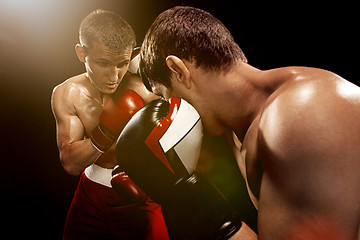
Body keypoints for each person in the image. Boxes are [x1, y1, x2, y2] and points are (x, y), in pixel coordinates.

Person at [139, 6, 360, 240]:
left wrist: (197, 205)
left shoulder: (299, 114)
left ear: (178, 70)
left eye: (167, 97)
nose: (174, 113)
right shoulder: (242, 131)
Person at [51, 9, 168, 239]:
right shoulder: (67, 94)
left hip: (139, 196)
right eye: (103, 63)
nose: (114, 76)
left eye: (121, 64)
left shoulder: (150, 92)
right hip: (89, 197)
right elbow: (70, 164)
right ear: (81, 53)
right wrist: (104, 133)